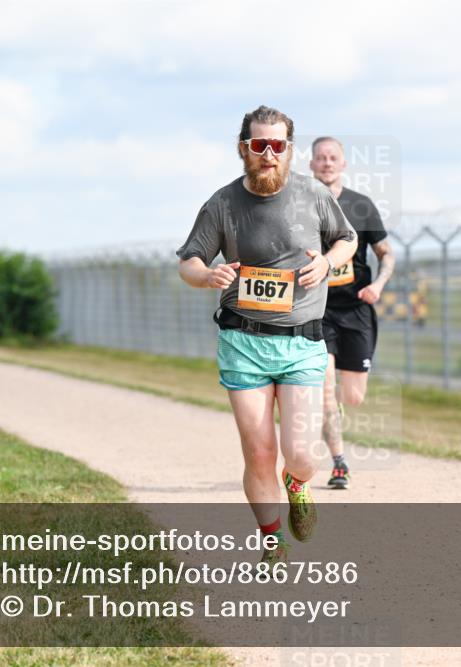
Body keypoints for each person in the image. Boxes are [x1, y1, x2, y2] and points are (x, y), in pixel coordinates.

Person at [177, 106, 357, 563]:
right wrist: (206, 276)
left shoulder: (313, 194)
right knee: (259, 452)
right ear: (244, 149)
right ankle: (271, 539)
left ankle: (297, 484)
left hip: (302, 342)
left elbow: (347, 239)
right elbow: (189, 260)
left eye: (278, 146)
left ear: (290, 151)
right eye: (260, 145)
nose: (269, 154)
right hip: (243, 342)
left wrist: (327, 262)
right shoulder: (222, 204)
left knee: (300, 453)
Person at [309, 137, 396, 489]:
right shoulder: (302, 204)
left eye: (333, 158)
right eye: (320, 158)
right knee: (326, 389)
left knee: (353, 396)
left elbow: (386, 254)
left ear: (343, 164)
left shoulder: (361, 206)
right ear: (312, 164)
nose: (327, 163)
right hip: (317, 309)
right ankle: (339, 462)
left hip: (356, 308)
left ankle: (336, 412)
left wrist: (379, 284)